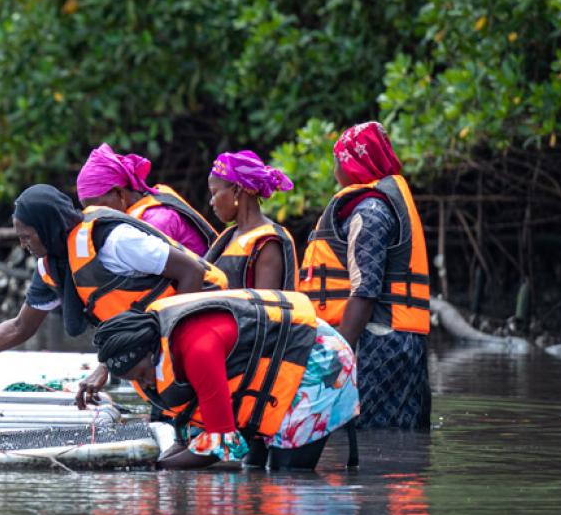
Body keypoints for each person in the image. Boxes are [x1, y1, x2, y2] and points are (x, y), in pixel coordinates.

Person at [0, 184, 226, 402]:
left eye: (27, 235)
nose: (23, 244)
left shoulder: (113, 241)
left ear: (48, 227)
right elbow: (19, 327)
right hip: (155, 345)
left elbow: (191, 272)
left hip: (205, 319)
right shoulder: (52, 265)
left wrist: (171, 353)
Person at [93, 288, 361, 470]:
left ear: (151, 352)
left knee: (288, 477)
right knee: (254, 468)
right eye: (137, 382)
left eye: (143, 375)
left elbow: (221, 446)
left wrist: (155, 468)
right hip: (281, 365)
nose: (148, 384)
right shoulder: (157, 344)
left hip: (320, 362)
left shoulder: (198, 350)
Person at [296, 122, 430, 430]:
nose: (335, 174)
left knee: (374, 434)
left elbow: (365, 290)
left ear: (354, 163)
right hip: (397, 339)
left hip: (379, 341)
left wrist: (337, 358)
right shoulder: (375, 204)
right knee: (398, 436)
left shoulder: (369, 212)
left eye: (337, 163)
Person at [75, 143, 217, 255]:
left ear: (119, 193)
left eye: (100, 208)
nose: (96, 216)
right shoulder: (139, 211)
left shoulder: (158, 219)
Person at [203, 149, 299, 290]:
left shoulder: (268, 242)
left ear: (237, 190)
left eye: (214, 193)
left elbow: (266, 307)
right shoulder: (228, 236)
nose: (211, 202)